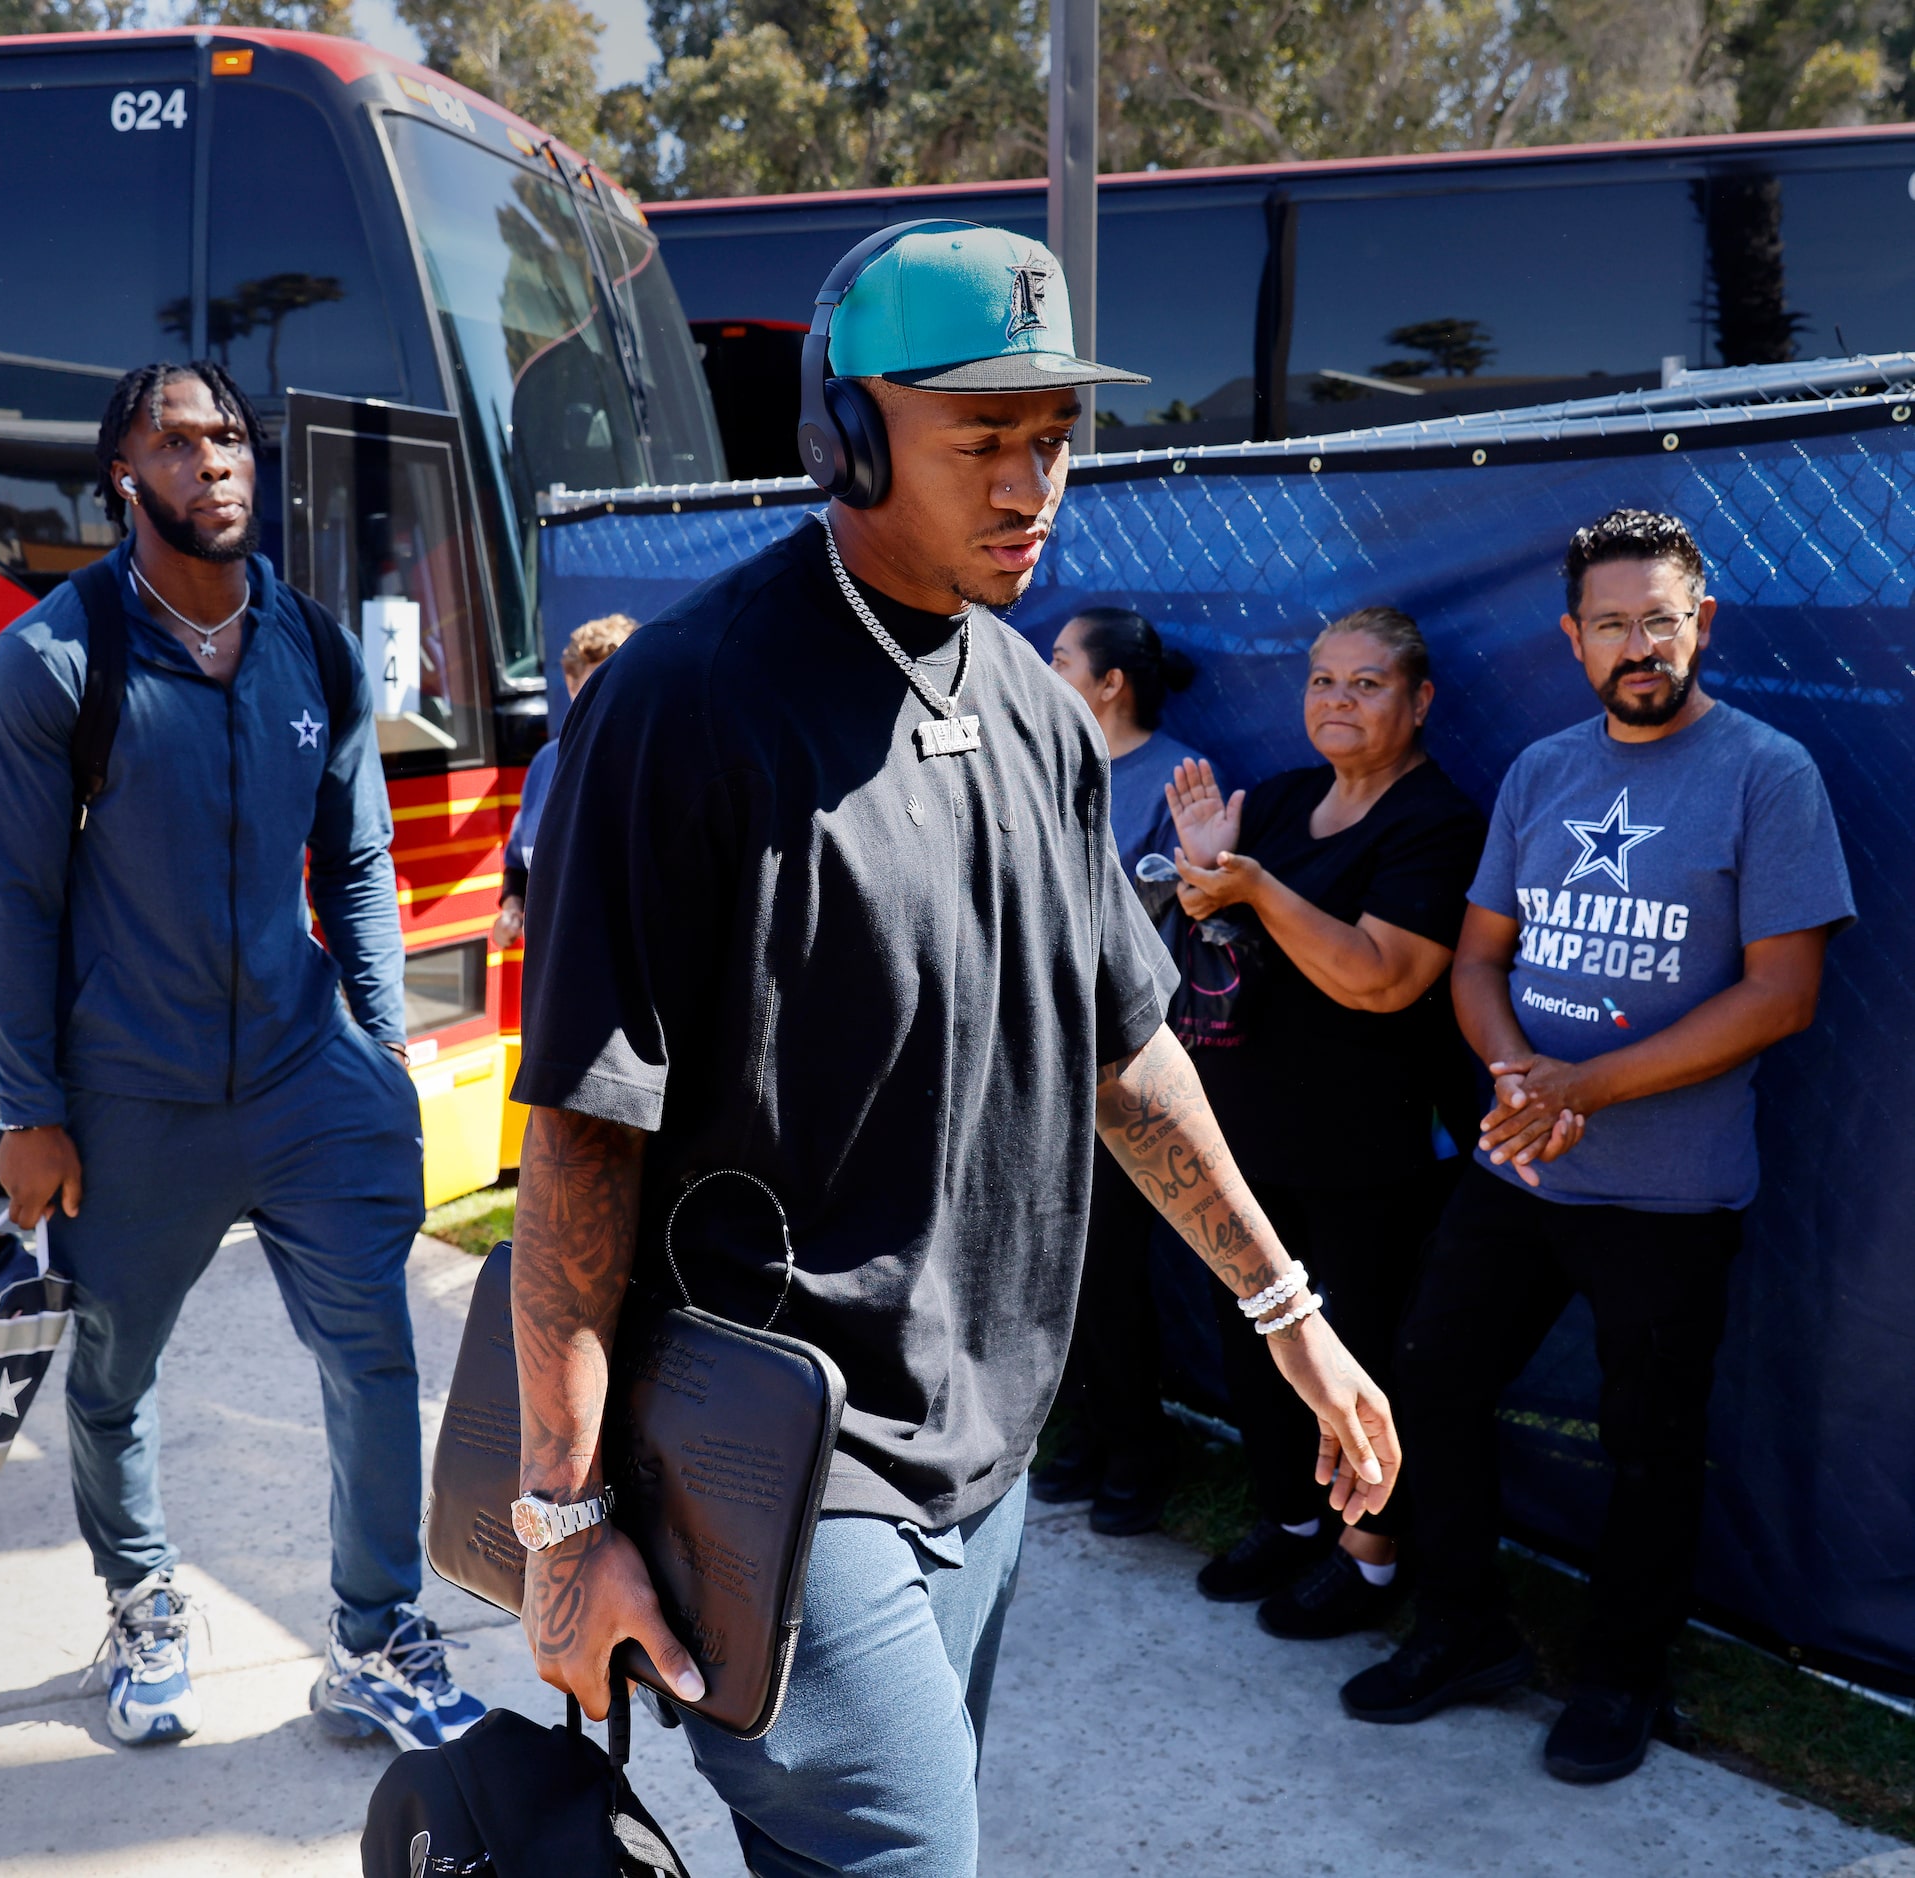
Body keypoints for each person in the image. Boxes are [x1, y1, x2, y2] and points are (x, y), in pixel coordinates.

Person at [506, 221, 1401, 1878]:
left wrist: (1291, 1318)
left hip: (986, 1440)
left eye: (1051, 437)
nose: (1030, 480)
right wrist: (562, 1523)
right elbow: (579, 1134)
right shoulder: (685, 704)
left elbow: (1126, 1054)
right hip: (767, 1438)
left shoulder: (1044, 718)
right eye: (979, 435)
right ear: (845, 435)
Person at [0, 360, 486, 1753]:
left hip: (310, 1075)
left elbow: (357, 856)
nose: (218, 463)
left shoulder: (309, 645)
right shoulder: (52, 663)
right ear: (121, 478)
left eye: (233, 437)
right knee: (112, 1374)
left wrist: (378, 1047)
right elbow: (11, 898)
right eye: (179, 442)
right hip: (132, 1096)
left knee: (375, 1356)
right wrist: (32, 1108)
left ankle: (376, 1637)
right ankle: (139, 1597)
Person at [1343, 508, 1854, 1785]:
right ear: (1572, 640)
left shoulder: (1765, 772)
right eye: (1612, 624)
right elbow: (1475, 961)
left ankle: (1622, 1677)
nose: (1639, 645)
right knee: (1430, 1380)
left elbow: (1781, 996)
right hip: (1518, 1162)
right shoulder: (1541, 770)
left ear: (1701, 626)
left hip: (1668, 1196)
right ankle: (1462, 1634)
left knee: (1649, 1444)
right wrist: (1518, 1071)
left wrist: (1590, 1083)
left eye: (1661, 619)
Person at [1161, 608, 1484, 1639]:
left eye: (1366, 684)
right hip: (1251, 1134)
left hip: (1370, 1150)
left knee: (1362, 1352)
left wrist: (1251, 884)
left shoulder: (1436, 820)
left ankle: (1372, 1551)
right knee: (1255, 1337)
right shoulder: (1287, 800)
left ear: (1418, 701)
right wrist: (1207, 878)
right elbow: (1220, 944)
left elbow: (1383, 979)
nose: (1336, 702)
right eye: (1321, 682)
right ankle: (1292, 1516)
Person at [1029, 607, 1205, 1532]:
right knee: (1060, 1269)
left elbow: (1147, 927)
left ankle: (1138, 1449)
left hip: (1122, 1064)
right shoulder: (1043, 755)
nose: (1038, 670)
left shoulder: (1172, 775)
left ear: (1109, 684)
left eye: (1059, 659)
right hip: (1037, 1064)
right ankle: (1090, 1431)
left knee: (1112, 1272)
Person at [488, 613, 637, 955]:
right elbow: (518, 862)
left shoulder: (650, 767)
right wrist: (512, 908)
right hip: (551, 983)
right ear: (571, 686)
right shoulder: (544, 764)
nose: (604, 700)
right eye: (593, 685)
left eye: (617, 685)